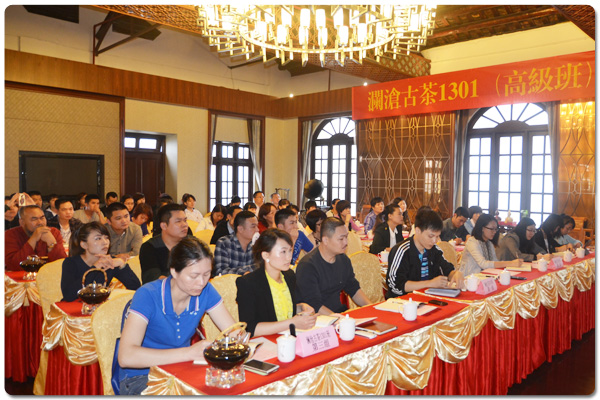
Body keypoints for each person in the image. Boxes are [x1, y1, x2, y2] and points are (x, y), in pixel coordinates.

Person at [117, 236, 237, 395]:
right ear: (174, 271)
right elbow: (126, 357)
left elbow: (232, 331)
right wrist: (188, 353)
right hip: (143, 377)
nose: (201, 282)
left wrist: (239, 339)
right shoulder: (148, 295)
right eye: (194, 276)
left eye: (207, 274)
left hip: (182, 370)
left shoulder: (206, 291)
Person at [236, 229, 317, 337]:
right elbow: (249, 329)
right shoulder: (248, 283)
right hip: (265, 341)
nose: (289, 257)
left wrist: (300, 307)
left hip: (288, 337)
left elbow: (280, 308)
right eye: (283, 252)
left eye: (290, 251)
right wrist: (291, 322)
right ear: (266, 255)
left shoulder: (289, 276)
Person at [296, 217, 372, 315]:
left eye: (346, 237)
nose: (346, 242)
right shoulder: (308, 266)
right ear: (325, 240)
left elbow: (353, 289)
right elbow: (314, 305)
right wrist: (338, 319)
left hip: (339, 313)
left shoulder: (343, 259)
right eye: (341, 239)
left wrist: (371, 307)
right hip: (317, 318)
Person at [386, 209, 464, 298]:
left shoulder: (435, 250)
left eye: (437, 236)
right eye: (431, 236)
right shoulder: (402, 250)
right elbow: (395, 286)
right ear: (418, 231)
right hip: (403, 301)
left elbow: (447, 269)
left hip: (428, 298)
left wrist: (455, 274)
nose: (434, 241)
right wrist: (430, 283)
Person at [60, 222, 141, 301]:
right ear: (84, 245)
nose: (105, 242)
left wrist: (122, 265)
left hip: (99, 308)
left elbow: (136, 288)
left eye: (106, 238)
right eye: (98, 238)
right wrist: (95, 268)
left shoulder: (109, 262)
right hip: (73, 307)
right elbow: (69, 295)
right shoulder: (71, 263)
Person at [5, 205, 68, 271]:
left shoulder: (53, 232)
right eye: (34, 219)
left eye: (42, 218)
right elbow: (13, 266)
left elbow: (63, 265)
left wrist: (51, 243)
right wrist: (33, 239)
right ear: (22, 222)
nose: (40, 223)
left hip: (48, 275)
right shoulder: (10, 235)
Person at [458, 214, 522, 276]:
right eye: (491, 229)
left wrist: (510, 264)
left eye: (496, 229)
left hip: (485, 276)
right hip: (469, 277)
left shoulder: (489, 243)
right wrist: (510, 263)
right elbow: (483, 264)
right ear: (482, 228)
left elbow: (494, 261)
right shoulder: (472, 241)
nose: (494, 232)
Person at [139, 204, 189, 284]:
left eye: (185, 220)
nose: (185, 225)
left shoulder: (193, 244)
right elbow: (154, 279)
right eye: (178, 221)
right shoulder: (149, 247)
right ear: (164, 226)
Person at [214, 211, 258, 275]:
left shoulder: (257, 243)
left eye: (257, 226)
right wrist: (244, 272)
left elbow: (261, 267)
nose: (257, 230)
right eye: (253, 227)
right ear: (240, 229)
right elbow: (221, 271)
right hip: (230, 281)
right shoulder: (224, 243)